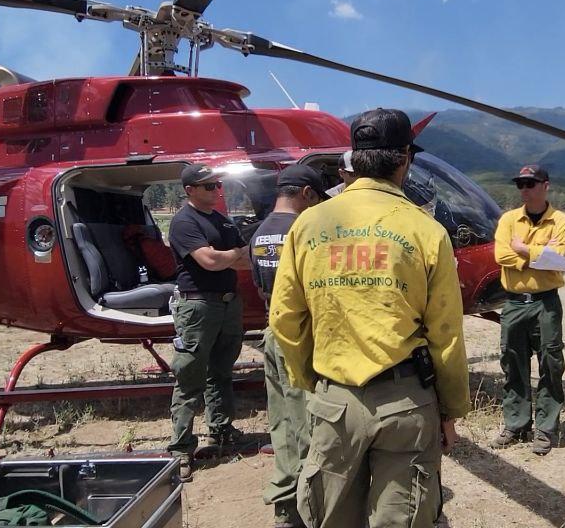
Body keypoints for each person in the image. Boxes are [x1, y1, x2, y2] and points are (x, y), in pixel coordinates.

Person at [269, 108, 470, 528]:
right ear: (404, 160)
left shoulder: (308, 225)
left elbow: (285, 318)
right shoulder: (426, 230)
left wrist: (314, 383)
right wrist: (450, 410)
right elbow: (446, 334)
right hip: (407, 403)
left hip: (334, 400)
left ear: (354, 158)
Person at [251, 165, 329, 528]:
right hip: (300, 334)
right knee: (308, 423)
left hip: (271, 330)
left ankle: (284, 502)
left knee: (281, 420)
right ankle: (306, 507)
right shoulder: (303, 231)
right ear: (307, 194)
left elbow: (261, 286)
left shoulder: (259, 232)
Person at [166, 163, 251, 480]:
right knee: (190, 377)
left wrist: (227, 254)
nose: (216, 190)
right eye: (207, 186)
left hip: (228, 304)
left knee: (222, 371)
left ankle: (221, 430)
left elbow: (243, 261)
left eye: (216, 184)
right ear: (189, 191)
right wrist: (231, 253)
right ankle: (181, 449)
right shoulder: (184, 222)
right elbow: (210, 261)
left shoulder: (222, 221)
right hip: (198, 305)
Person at [491, 164, 565, 455]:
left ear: (545, 185)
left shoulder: (560, 221)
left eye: (530, 183)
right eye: (521, 184)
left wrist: (523, 249)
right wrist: (540, 254)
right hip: (514, 302)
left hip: (545, 302)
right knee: (513, 363)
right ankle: (516, 424)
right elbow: (501, 254)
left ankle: (546, 429)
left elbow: (558, 258)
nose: (524, 189)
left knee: (550, 363)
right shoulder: (508, 219)